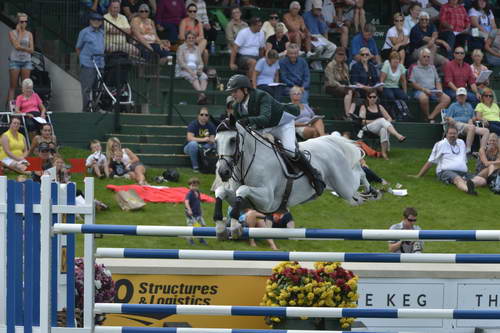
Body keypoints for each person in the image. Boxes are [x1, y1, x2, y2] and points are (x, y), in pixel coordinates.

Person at [226, 74, 324, 196]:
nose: (233, 95)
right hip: (263, 128)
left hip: (281, 124)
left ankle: (315, 176)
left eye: (235, 91)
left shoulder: (261, 96)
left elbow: (265, 118)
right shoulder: (236, 106)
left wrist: (247, 121)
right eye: (231, 92)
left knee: (290, 150)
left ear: (245, 90)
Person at [414, 125, 486, 195]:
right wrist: (419, 175)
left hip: (462, 172)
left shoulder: (461, 143)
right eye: (450, 133)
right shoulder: (440, 144)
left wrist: (465, 169)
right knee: (457, 179)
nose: (452, 135)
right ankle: (468, 190)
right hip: (446, 171)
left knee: (482, 181)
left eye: (454, 133)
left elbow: (463, 160)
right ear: (446, 134)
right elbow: (430, 161)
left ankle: (467, 183)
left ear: (457, 134)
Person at [358, 91, 406, 160]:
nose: (372, 99)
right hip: (367, 127)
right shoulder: (364, 106)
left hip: (379, 127)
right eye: (370, 97)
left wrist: (386, 124)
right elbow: (362, 121)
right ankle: (398, 135)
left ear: (377, 98)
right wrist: (377, 121)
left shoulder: (379, 106)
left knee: (384, 129)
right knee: (381, 120)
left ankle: (384, 153)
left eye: (374, 97)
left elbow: (389, 118)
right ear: (367, 98)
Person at [409, 48, 451, 122]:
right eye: (424, 56)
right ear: (420, 57)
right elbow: (413, 83)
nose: (426, 58)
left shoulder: (432, 67)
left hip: (432, 90)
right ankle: (427, 116)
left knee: (447, 99)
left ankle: (431, 117)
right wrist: (424, 90)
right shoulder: (414, 67)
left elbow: (437, 81)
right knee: (424, 98)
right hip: (419, 90)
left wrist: (439, 90)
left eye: (428, 57)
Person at [445, 87, 490, 155]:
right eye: (459, 96)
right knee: (471, 127)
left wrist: (475, 119)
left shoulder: (469, 106)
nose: (461, 97)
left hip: (469, 126)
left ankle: (482, 151)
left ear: (466, 97)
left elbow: (473, 117)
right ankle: (467, 150)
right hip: (457, 125)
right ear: (456, 97)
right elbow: (447, 118)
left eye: (463, 95)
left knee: (486, 131)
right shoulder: (453, 106)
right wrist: (451, 120)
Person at [76, 12, 105, 113]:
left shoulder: (102, 32)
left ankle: (96, 107)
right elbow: (78, 48)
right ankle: (86, 109)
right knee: (86, 88)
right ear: (90, 21)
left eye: (99, 20)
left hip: (100, 63)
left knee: (98, 88)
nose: (96, 22)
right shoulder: (84, 32)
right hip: (88, 63)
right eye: (94, 20)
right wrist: (83, 60)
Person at [7, 13, 34, 109]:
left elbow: (32, 49)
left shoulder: (29, 34)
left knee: (25, 84)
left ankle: (25, 107)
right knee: (13, 86)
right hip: (15, 60)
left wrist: (22, 48)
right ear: (18, 22)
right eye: (22, 21)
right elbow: (16, 46)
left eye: (26, 21)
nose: (24, 23)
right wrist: (19, 32)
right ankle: (12, 109)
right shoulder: (12, 33)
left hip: (26, 61)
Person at [176, 31, 208, 105]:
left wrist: (200, 68)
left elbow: (200, 62)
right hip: (183, 70)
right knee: (194, 77)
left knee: (204, 77)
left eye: (193, 38)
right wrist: (191, 71)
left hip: (195, 70)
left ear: (195, 39)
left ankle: (201, 98)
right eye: (189, 38)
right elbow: (181, 63)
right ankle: (203, 95)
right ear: (186, 39)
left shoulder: (197, 49)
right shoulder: (181, 48)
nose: (191, 39)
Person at [229, 16, 265, 82]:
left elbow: (261, 49)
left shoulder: (262, 33)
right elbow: (235, 48)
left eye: (261, 25)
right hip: (243, 57)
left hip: (256, 57)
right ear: (252, 25)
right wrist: (232, 63)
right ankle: (250, 83)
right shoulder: (243, 33)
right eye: (258, 26)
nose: (260, 27)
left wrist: (261, 59)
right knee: (253, 62)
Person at [184, 107, 216, 172]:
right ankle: (195, 167)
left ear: (208, 117)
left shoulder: (211, 125)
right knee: (193, 144)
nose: (204, 116)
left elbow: (212, 139)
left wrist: (211, 141)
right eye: (202, 114)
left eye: (206, 115)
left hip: (204, 147)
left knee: (215, 145)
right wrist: (203, 139)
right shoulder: (193, 124)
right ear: (198, 116)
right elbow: (189, 138)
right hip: (190, 148)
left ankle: (211, 167)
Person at [324, 47, 354, 117]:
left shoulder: (345, 66)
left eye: (342, 54)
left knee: (356, 93)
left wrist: (349, 85)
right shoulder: (330, 65)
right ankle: (347, 114)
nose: (340, 56)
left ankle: (351, 112)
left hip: (343, 86)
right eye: (339, 54)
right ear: (335, 55)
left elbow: (347, 79)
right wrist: (340, 85)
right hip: (331, 86)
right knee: (348, 91)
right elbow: (331, 81)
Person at [184, 177, 208, 246]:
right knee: (191, 228)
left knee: (202, 226)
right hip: (191, 215)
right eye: (192, 186)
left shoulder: (197, 192)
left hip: (198, 214)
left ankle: (201, 239)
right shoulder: (190, 194)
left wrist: (201, 210)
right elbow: (186, 202)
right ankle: (190, 239)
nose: (194, 187)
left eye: (196, 186)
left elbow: (198, 202)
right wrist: (189, 209)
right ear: (189, 186)